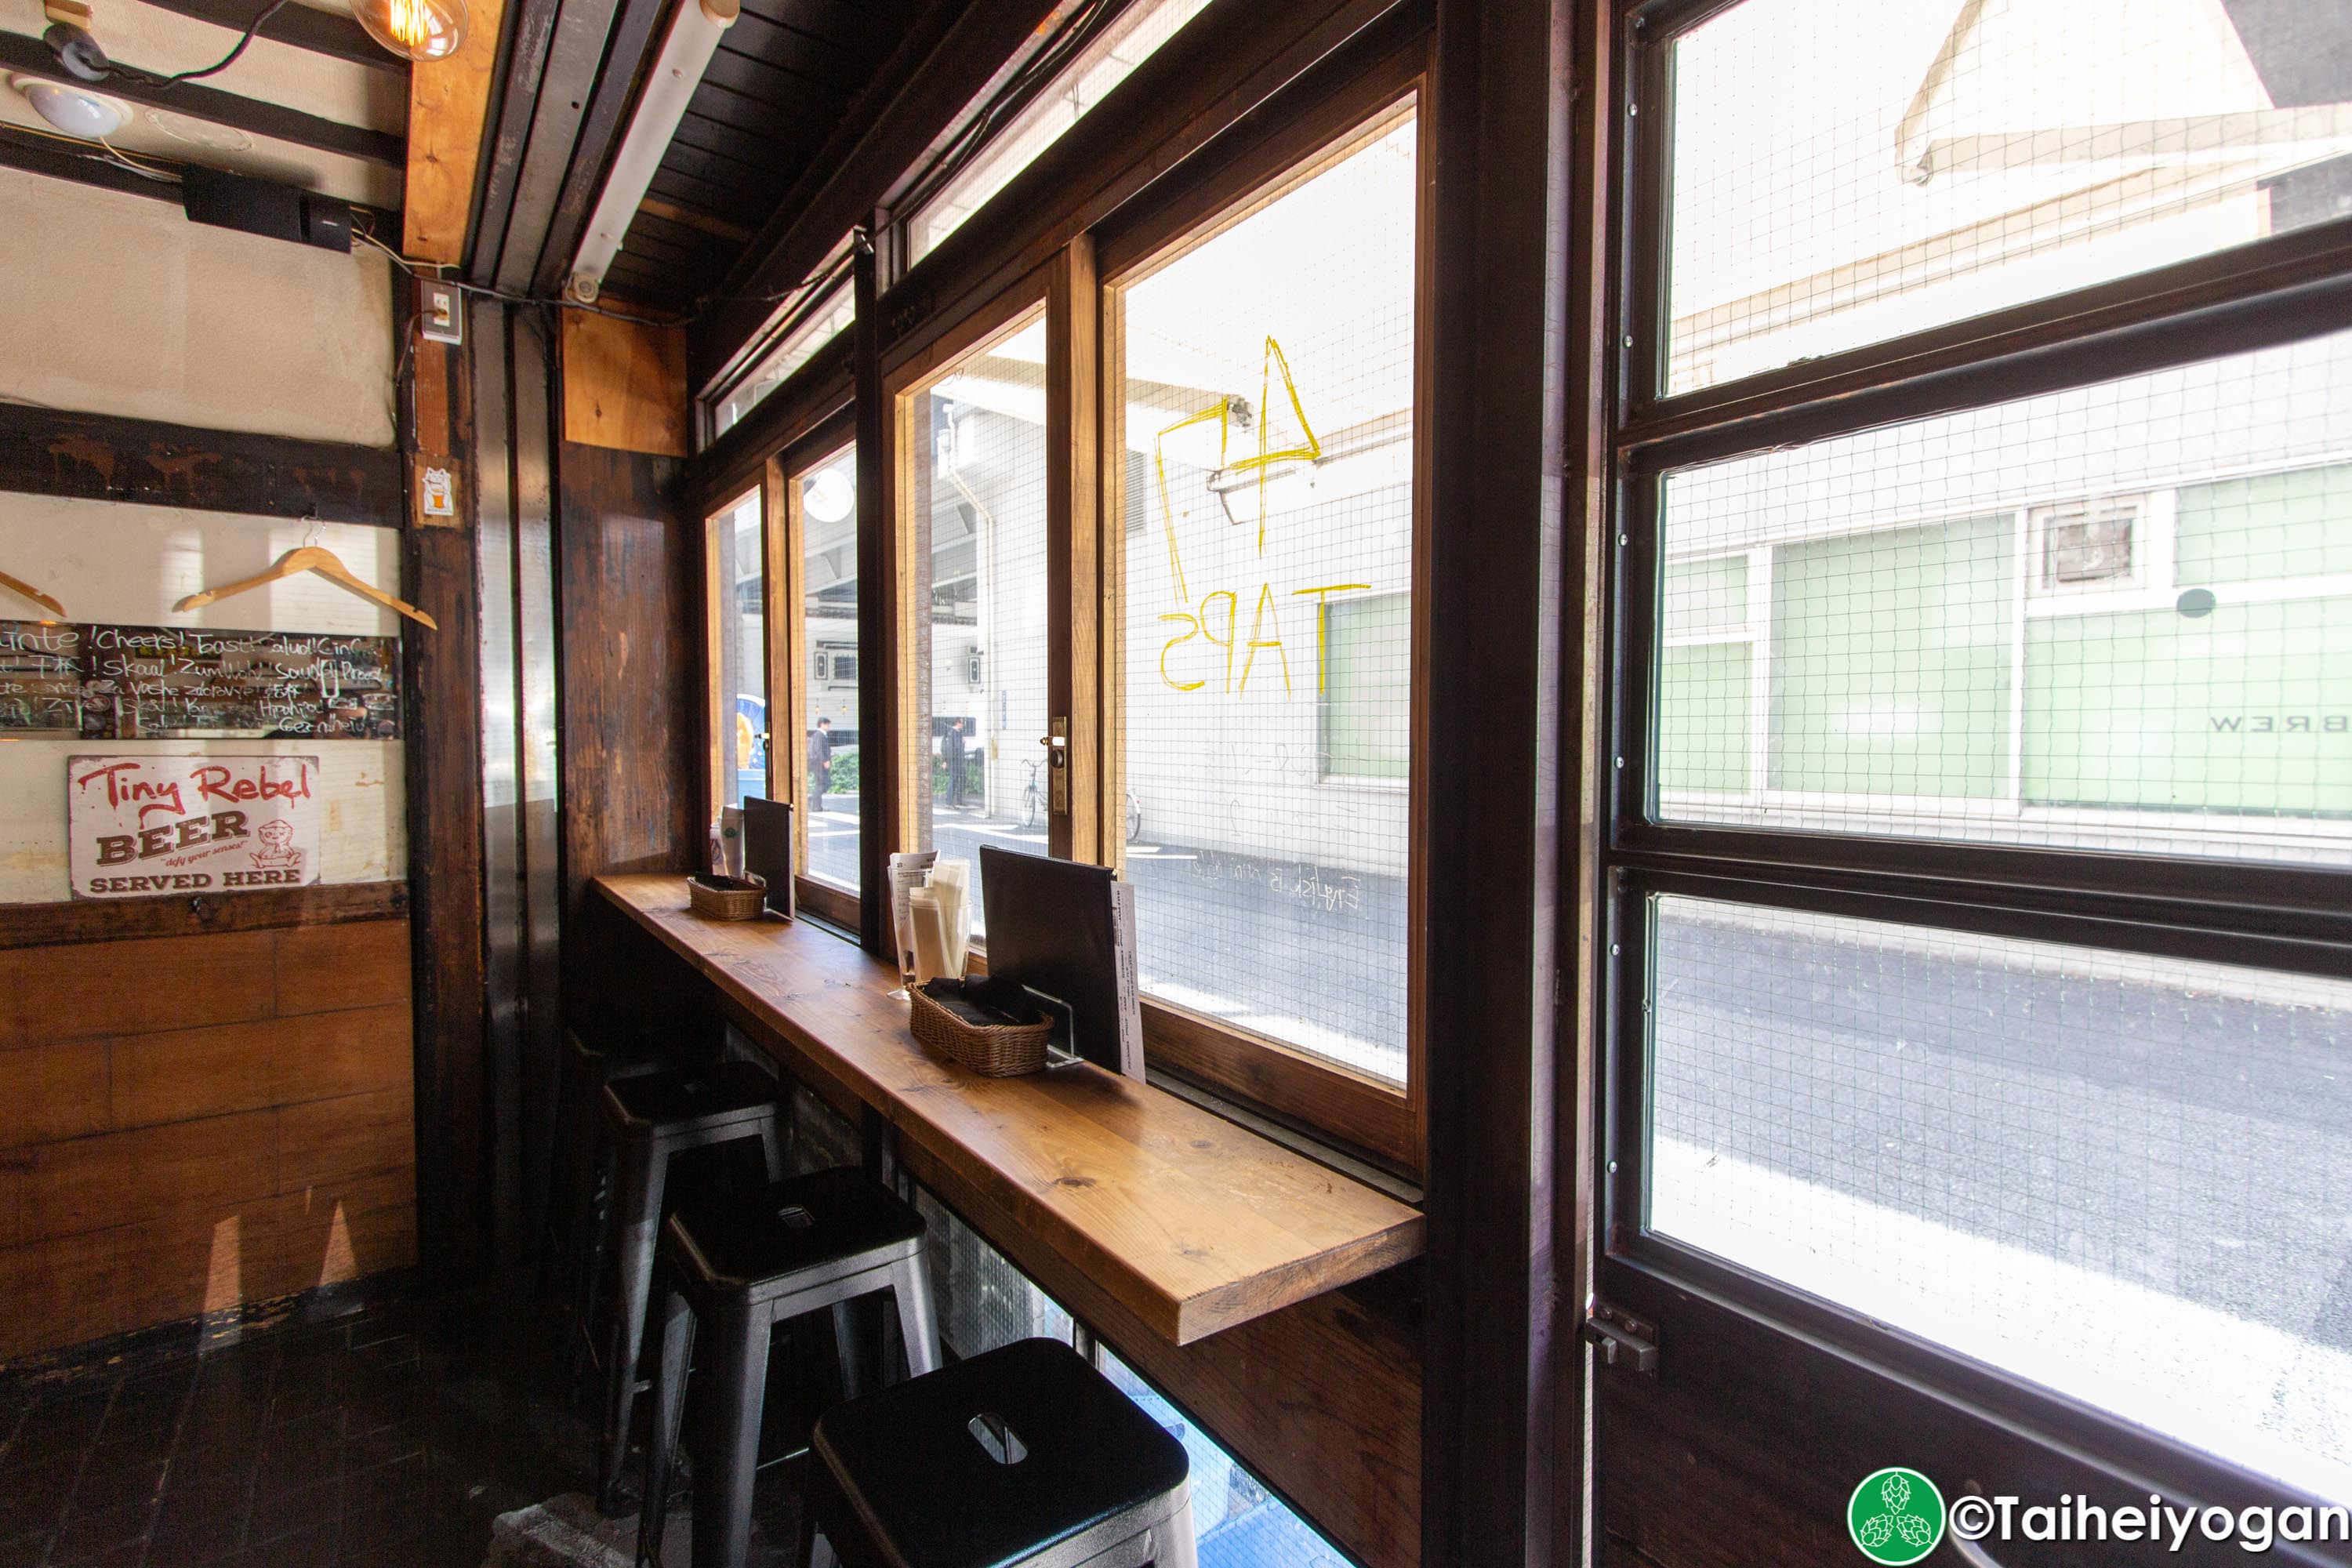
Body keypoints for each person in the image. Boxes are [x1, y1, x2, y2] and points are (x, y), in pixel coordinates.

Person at [807, 717, 833, 814]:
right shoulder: (819, 735)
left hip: (819, 763)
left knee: (824, 783)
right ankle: (816, 805)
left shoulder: (821, 735)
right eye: (828, 724)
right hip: (818, 764)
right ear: (822, 724)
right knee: (822, 783)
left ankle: (813, 801)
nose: (829, 727)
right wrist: (824, 761)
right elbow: (818, 749)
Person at [943, 717, 967, 808]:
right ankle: (949, 802)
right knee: (953, 779)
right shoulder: (952, 733)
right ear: (958, 723)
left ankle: (958, 800)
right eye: (962, 723)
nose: (963, 725)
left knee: (962, 779)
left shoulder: (959, 732)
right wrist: (945, 761)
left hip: (959, 760)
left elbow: (960, 747)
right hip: (954, 760)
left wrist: (963, 743)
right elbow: (954, 747)